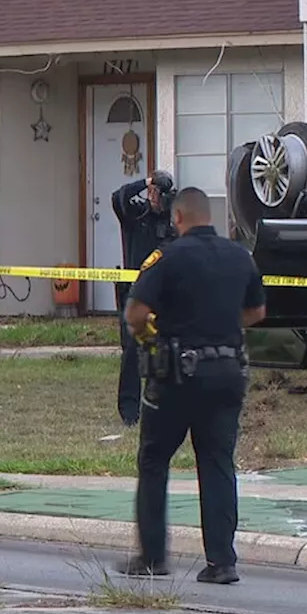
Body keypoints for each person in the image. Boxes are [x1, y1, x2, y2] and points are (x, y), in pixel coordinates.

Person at [118, 186, 267, 585]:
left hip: (178, 376)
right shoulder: (240, 256)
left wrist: (152, 336)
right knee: (217, 463)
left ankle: (152, 557)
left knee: (154, 460)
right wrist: (220, 326)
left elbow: (135, 313)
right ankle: (222, 563)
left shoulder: (165, 257)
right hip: (228, 374)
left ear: (178, 217)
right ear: (210, 216)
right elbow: (257, 311)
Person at [112, 170, 177, 426]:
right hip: (135, 295)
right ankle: (129, 412)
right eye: (152, 191)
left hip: (163, 297)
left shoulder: (173, 223)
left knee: (161, 351)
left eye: (159, 193)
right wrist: (146, 182)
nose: (155, 198)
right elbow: (118, 198)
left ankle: (159, 406)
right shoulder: (135, 215)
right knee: (131, 353)